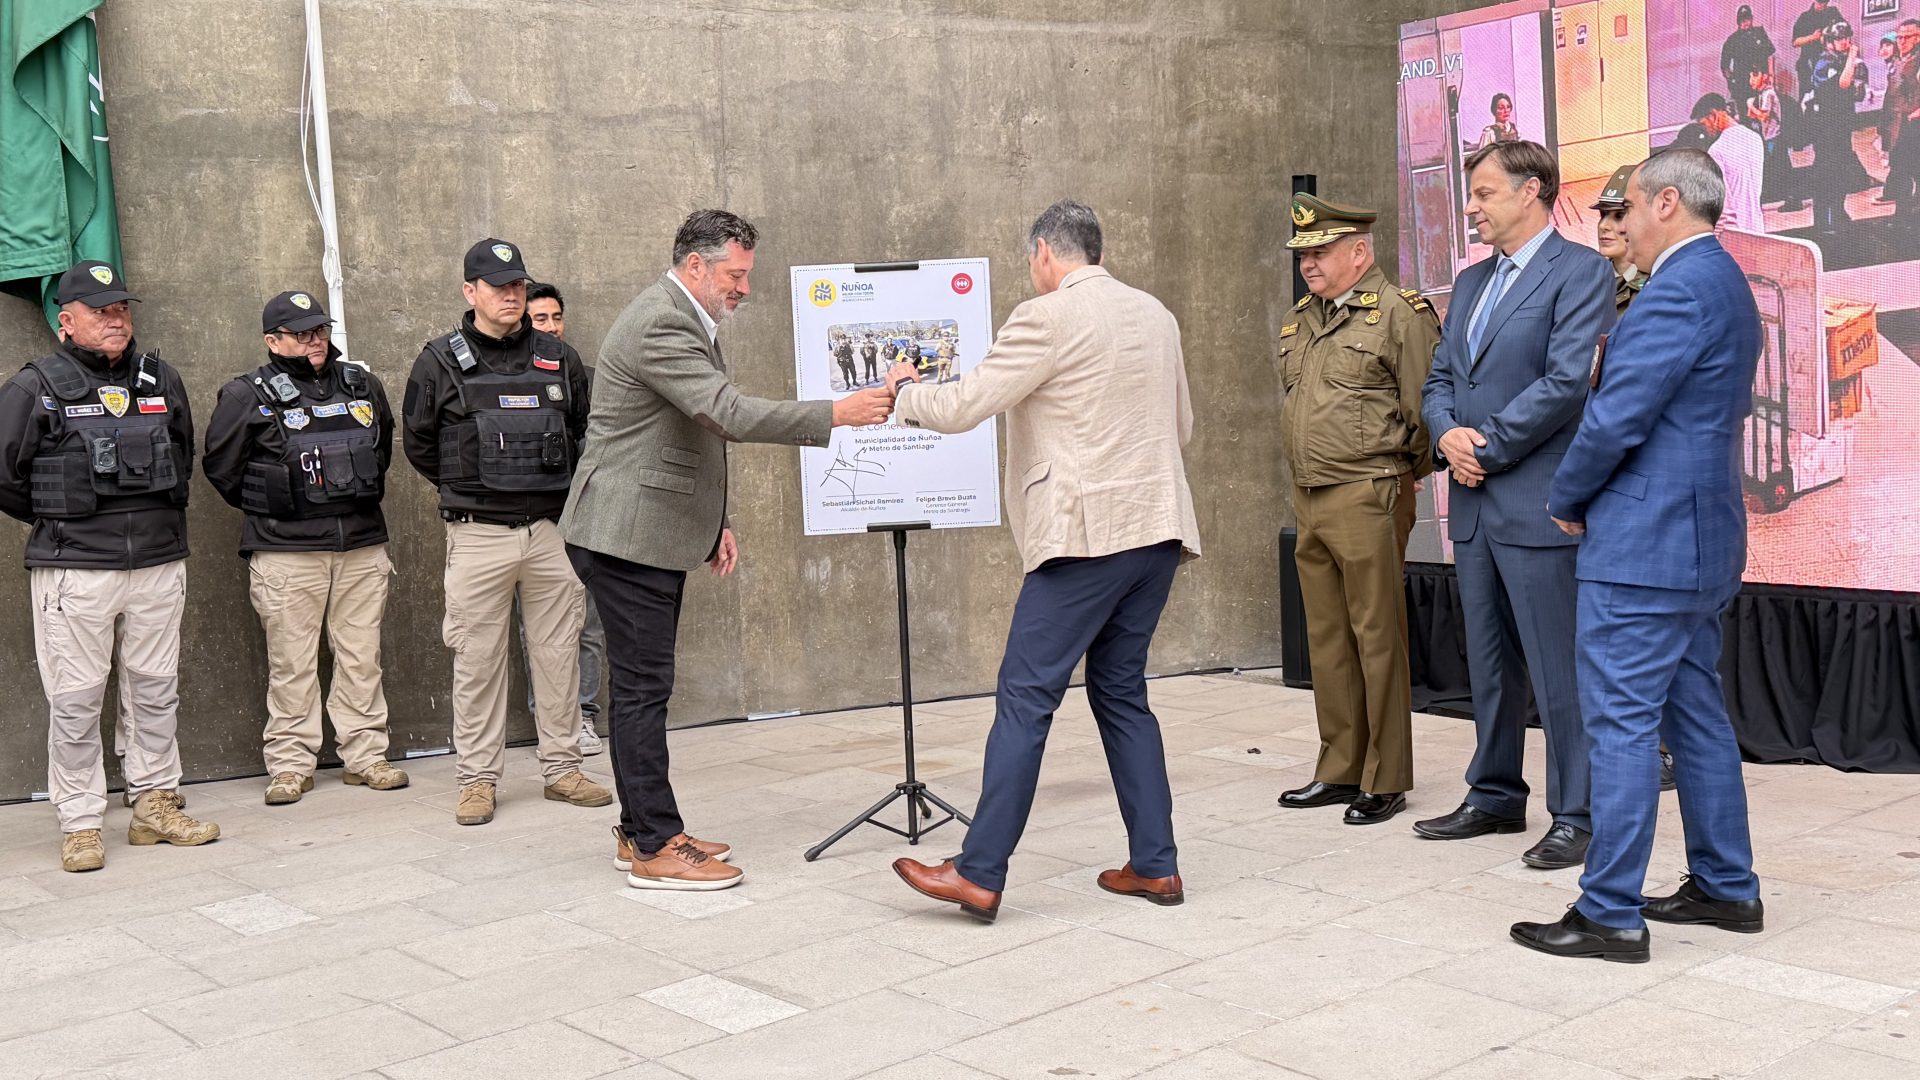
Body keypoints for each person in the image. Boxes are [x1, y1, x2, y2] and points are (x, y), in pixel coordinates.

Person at [561, 209, 892, 891]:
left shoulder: (682, 318)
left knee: (643, 687)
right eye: (736, 276)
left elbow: (684, 431)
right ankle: (655, 844)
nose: (744, 289)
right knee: (644, 690)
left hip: (645, 527)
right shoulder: (664, 321)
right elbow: (728, 414)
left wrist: (716, 521)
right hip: (625, 536)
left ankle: (640, 827)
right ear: (696, 268)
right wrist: (835, 413)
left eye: (746, 276)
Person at [890, 200, 1200, 921]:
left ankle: (978, 870)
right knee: (1121, 693)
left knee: (1026, 697)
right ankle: (1156, 865)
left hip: (1084, 534)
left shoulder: (1046, 316)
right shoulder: (1156, 314)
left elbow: (967, 404)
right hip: (1155, 529)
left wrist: (905, 390)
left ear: (1042, 254)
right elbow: (1180, 424)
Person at [1514, 149, 1766, 963]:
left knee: (1618, 726)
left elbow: (1617, 420)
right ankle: (1727, 887)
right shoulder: (1725, 280)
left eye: (1625, 205)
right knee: (1694, 716)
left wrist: (1566, 498)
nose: (1616, 220)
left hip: (1644, 549)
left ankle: (1609, 911)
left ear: (1668, 202)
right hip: (1699, 544)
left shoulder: (1675, 292)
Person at [1416, 141, 1617, 870]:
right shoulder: (1470, 283)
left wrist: (1486, 446)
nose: (1472, 206)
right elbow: (1439, 378)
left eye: (1485, 192)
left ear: (1532, 191)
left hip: (1533, 502)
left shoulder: (1582, 273)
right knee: (1492, 664)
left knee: (1557, 667)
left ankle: (1579, 813)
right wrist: (1447, 435)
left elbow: (1568, 383)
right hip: (1473, 506)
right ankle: (1495, 794)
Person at [0, 260, 221, 871]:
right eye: (100, 311)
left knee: (155, 692)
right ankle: (80, 821)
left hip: (156, 564)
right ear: (66, 322)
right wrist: (68, 521)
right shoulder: (34, 386)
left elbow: (184, 456)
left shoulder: (161, 380)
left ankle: (155, 802)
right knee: (75, 699)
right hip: (76, 570)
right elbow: (6, 478)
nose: (116, 318)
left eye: (121, 308)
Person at [402, 238, 612, 826]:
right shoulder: (438, 360)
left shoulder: (558, 358)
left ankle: (563, 768)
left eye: (519, 286)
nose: (512, 296)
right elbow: (419, 442)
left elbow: (583, 434)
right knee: (477, 659)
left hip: (551, 531)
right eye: (499, 287)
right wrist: (472, 488)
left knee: (559, 653)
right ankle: (477, 779)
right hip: (478, 534)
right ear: (471, 293)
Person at [202, 291, 409, 804]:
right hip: (287, 552)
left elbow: (380, 452)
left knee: (362, 656)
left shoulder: (362, 385)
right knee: (291, 663)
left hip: (360, 546)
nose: (315, 340)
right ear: (273, 341)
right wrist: (279, 509)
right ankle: (291, 764)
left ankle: (366, 756)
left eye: (320, 329)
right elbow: (222, 469)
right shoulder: (246, 394)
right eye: (301, 333)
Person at [1274, 194, 1440, 826]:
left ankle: (1386, 775)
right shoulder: (1301, 320)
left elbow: (1426, 407)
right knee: (1328, 638)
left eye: (1319, 252)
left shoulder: (1399, 314)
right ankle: (1339, 766)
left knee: (1378, 637)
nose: (1309, 264)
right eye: (1303, 254)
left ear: (1359, 251)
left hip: (1368, 491)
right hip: (1311, 495)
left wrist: (1402, 478)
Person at [514, 281, 605, 756]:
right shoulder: (508, 379)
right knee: (538, 631)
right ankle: (551, 720)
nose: (550, 327)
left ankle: (584, 717)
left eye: (555, 317)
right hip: (530, 523)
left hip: (585, 525)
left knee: (587, 626)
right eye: (539, 319)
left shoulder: (587, 377)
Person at [1806, 20, 1871, 232]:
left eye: (1847, 38)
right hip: (1825, 128)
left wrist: (1854, 67)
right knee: (1825, 174)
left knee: (1842, 171)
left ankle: (1838, 212)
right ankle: (1823, 221)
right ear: (1830, 42)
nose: (1845, 42)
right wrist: (1852, 57)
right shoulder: (1824, 62)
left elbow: (1858, 92)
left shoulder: (1847, 62)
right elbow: (1843, 84)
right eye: (1840, 39)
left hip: (1843, 126)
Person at [1695, 93, 1769, 231]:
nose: (1705, 130)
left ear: (1713, 115)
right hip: (1757, 227)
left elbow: (1725, 208)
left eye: (1704, 124)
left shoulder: (1717, 151)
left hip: (1734, 234)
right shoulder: (1755, 139)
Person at [1883, 20, 1920, 221]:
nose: (1902, 41)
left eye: (1907, 37)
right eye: (1899, 37)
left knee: (1911, 171)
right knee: (1900, 171)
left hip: (1913, 125)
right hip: (1896, 124)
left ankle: (1906, 218)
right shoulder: (1898, 60)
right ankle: (1903, 216)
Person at [1748, 70, 1798, 209]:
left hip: (1775, 137)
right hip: (1768, 136)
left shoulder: (1769, 94)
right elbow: (1752, 116)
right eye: (1750, 77)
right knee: (1777, 168)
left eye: (1754, 76)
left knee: (1782, 168)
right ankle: (1790, 198)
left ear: (1764, 77)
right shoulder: (1761, 94)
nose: (1751, 80)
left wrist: (1751, 106)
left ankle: (1793, 199)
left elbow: (1764, 116)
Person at [1721, 5, 1776, 115]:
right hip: (1742, 85)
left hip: (1761, 82)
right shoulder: (1732, 40)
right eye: (1742, 20)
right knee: (1746, 115)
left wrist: (1771, 75)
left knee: (1765, 112)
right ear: (1738, 21)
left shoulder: (1759, 33)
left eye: (1747, 19)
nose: (1745, 22)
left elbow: (1770, 54)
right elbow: (1724, 65)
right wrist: (1732, 81)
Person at [1792, 0, 1847, 97]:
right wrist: (1812, 37)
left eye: (1825, 4)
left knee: (1830, 95)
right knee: (1808, 96)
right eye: (1820, 4)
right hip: (1808, 63)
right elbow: (1795, 42)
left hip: (1831, 62)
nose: (1822, 6)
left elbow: (1846, 30)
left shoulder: (1833, 13)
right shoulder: (1805, 17)